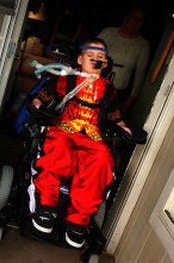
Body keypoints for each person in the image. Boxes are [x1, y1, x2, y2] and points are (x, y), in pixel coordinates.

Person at [30, 38, 131, 249]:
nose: (96, 60)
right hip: (65, 128)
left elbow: (113, 112)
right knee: (59, 150)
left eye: (101, 58)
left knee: (103, 159)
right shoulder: (67, 79)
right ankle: (47, 205)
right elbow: (46, 93)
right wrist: (39, 102)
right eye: (91, 57)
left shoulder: (108, 89)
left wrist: (121, 124)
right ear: (79, 60)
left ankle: (78, 220)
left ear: (106, 63)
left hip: (92, 136)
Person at [98, 7, 150, 118]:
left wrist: (131, 99)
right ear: (126, 18)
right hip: (96, 83)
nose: (135, 22)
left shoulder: (142, 45)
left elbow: (140, 74)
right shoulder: (108, 33)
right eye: (134, 18)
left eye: (140, 20)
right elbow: (91, 52)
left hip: (118, 93)